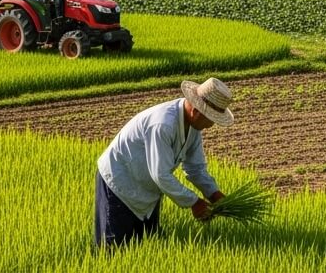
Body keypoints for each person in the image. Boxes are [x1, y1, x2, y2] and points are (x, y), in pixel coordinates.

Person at [95, 77, 234, 247]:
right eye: (211, 119)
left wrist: (214, 194)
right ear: (197, 111)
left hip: (147, 188)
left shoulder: (194, 127)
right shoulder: (163, 124)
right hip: (120, 182)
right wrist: (194, 202)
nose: (211, 125)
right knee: (114, 248)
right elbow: (160, 174)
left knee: (146, 245)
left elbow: (195, 168)